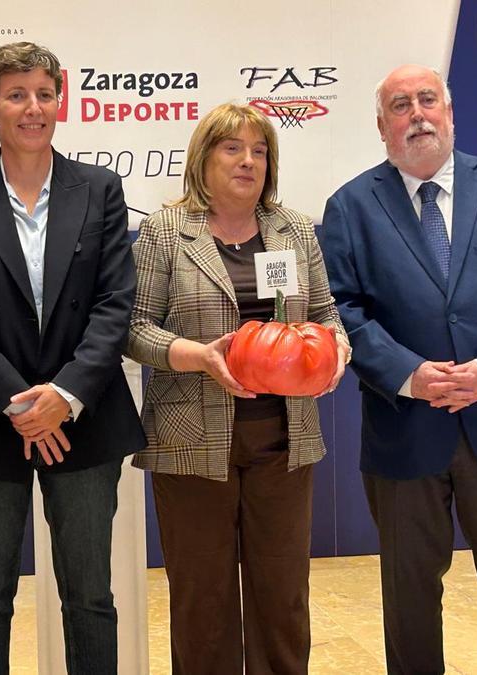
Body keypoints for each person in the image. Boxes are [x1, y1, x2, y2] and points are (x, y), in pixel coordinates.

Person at [319, 64, 477, 674]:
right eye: (400, 106)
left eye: (428, 100)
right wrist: (407, 373)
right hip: (405, 427)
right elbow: (339, 308)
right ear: (382, 127)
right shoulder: (350, 206)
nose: (418, 114)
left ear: (451, 113)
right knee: (408, 598)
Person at [0, 42, 144, 674]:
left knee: (90, 599)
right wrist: (22, 405)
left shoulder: (99, 188)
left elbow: (113, 304)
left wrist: (64, 397)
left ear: (61, 100)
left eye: (45, 94)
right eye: (17, 95)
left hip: (84, 418)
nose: (33, 108)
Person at [126, 102, 350, 674]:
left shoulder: (294, 229)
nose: (248, 161)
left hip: (284, 440)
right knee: (204, 603)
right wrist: (197, 356)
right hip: (193, 444)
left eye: (259, 150)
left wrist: (336, 348)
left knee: (283, 599)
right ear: (204, 158)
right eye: (233, 148)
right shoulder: (165, 231)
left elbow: (324, 312)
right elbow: (133, 327)